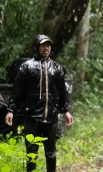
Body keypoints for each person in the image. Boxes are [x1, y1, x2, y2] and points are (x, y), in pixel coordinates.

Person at [5, 34, 73, 172]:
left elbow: (62, 92)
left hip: (51, 118)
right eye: (43, 45)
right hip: (31, 118)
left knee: (51, 153)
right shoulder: (26, 67)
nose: (46, 48)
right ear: (37, 47)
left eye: (48, 45)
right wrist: (10, 110)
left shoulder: (57, 68)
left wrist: (65, 111)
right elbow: (17, 91)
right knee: (31, 154)